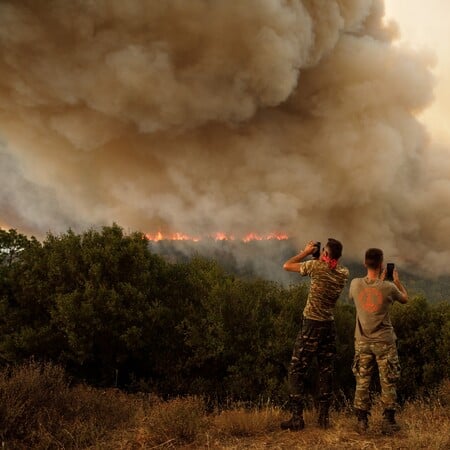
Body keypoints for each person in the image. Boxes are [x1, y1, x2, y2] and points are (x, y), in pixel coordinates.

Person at [281, 238, 349, 430]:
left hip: (311, 324)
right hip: (329, 325)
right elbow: (330, 266)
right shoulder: (344, 273)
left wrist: (306, 251)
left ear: (325, 255)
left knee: (296, 370)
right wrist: (321, 256)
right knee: (325, 371)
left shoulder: (315, 268)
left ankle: (297, 419)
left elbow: (287, 265)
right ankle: (323, 420)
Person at [349, 248, 408, 434]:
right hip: (384, 341)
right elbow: (405, 299)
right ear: (382, 264)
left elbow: (362, 297)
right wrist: (397, 282)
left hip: (362, 341)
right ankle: (389, 422)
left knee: (362, 380)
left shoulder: (355, 284)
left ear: (365, 263)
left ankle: (361, 421)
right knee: (388, 380)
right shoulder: (389, 287)